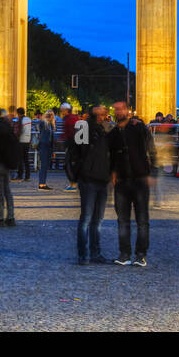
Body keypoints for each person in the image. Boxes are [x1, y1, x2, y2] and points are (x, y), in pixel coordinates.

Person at [108, 100, 155, 267]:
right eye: (116, 110)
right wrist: (112, 173)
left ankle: (141, 255)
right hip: (121, 181)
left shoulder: (138, 127)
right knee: (122, 220)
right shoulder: (113, 133)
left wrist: (152, 172)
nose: (118, 112)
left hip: (140, 179)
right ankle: (124, 254)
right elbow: (111, 156)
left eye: (121, 109)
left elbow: (151, 147)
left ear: (128, 111)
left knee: (142, 220)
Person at [67, 104, 111, 265]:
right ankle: (83, 254)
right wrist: (79, 173)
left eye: (104, 114)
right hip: (88, 180)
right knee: (86, 218)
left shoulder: (105, 130)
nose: (102, 116)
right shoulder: (84, 128)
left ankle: (95, 253)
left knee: (97, 220)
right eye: (99, 114)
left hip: (102, 179)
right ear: (93, 114)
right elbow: (75, 151)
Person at [60, 103, 79, 191]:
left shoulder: (70, 119)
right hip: (73, 143)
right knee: (69, 164)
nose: (61, 112)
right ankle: (73, 183)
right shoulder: (72, 118)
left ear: (66, 110)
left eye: (62, 110)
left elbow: (71, 132)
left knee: (68, 164)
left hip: (72, 144)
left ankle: (73, 183)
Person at [36, 109, 55, 189]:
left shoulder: (51, 125)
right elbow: (39, 129)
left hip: (48, 146)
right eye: (48, 114)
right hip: (43, 146)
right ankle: (41, 183)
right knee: (43, 165)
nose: (50, 116)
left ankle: (43, 183)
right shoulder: (43, 123)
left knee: (45, 165)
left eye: (51, 115)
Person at [15, 106, 33, 181]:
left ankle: (20, 175)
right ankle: (27, 176)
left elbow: (19, 130)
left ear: (18, 113)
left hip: (21, 141)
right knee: (26, 159)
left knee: (20, 159)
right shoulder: (28, 119)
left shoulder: (20, 120)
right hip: (27, 140)